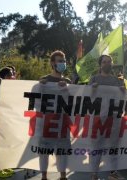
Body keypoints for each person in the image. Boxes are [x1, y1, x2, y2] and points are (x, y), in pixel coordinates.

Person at [89, 54, 125, 180]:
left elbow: (122, 98)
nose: (107, 64)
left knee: (113, 145)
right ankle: (94, 174)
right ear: (100, 64)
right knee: (96, 146)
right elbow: (87, 97)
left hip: (113, 118)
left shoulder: (117, 80)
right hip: (98, 118)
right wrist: (91, 89)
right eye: (104, 62)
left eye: (109, 62)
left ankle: (113, 172)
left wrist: (123, 90)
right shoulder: (93, 79)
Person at [39, 50, 70, 180]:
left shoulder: (68, 81)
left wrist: (68, 87)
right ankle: (44, 177)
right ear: (53, 63)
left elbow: (74, 101)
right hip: (47, 122)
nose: (62, 63)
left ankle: (63, 176)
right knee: (44, 152)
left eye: (63, 61)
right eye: (59, 61)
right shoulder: (44, 80)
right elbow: (37, 100)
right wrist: (41, 86)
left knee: (62, 151)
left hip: (63, 122)